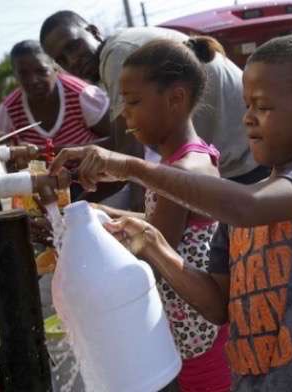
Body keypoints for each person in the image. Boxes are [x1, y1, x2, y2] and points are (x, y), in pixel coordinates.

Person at [49, 33, 292, 391]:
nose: (247, 118)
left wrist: (130, 166)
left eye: (262, 107)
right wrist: (153, 244)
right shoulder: (238, 205)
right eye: (247, 105)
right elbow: (217, 305)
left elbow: (249, 208)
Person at [93, 38, 232, 392]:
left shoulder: (185, 169)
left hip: (201, 330)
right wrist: (95, 211)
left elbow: (152, 243)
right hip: (189, 326)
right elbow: (156, 222)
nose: (125, 113)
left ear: (176, 98)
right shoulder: (177, 163)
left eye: (134, 101)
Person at [39, 10, 265, 185]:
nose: (72, 60)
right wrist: (47, 154)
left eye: (74, 46)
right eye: (62, 59)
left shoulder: (118, 55)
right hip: (240, 155)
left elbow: (127, 154)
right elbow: (123, 147)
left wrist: (73, 191)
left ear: (94, 31)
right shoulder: (117, 52)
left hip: (248, 160)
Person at [0, 40, 110, 150]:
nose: (33, 80)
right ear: (15, 76)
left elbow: (116, 139)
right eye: (23, 74)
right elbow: (7, 158)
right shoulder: (8, 112)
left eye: (41, 71)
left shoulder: (82, 95)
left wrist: (45, 153)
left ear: (55, 68)